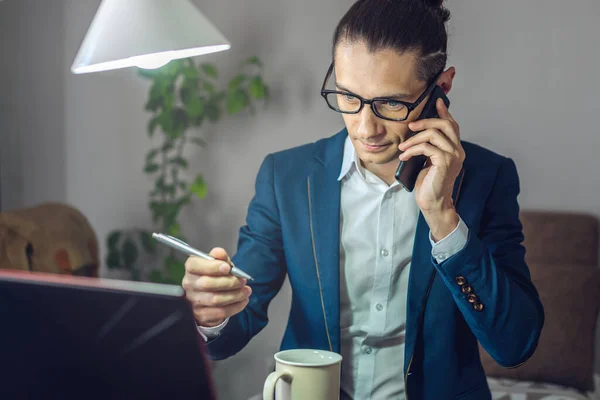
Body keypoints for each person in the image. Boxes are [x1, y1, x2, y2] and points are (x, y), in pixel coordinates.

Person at [182, 0, 545, 398]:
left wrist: (442, 215)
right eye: (347, 96)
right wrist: (210, 313)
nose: (365, 127)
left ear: (441, 88)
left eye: (391, 103)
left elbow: (515, 345)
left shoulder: (487, 178)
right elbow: (236, 324)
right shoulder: (285, 177)